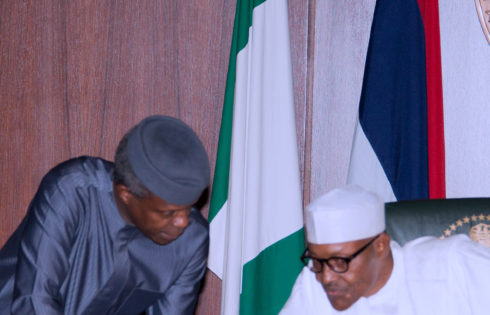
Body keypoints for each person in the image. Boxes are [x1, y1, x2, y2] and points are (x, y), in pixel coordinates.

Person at [0, 115, 211, 314]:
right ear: (126, 193)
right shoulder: (71, 191)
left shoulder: (191, 240)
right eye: (167, 212)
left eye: (188, 207)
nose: (183, 222)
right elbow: (34, 301)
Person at [280, 185, 490, 314]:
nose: (326, 277)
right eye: (317, 261)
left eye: (340, 261)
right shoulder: (314, 282)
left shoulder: (452, 263)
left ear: (380, 245)